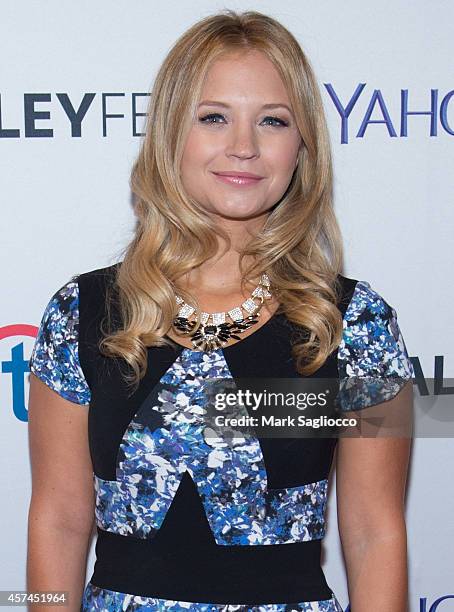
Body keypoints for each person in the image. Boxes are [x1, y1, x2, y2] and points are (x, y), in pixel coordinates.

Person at [27, 10, 414, 612]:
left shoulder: (356, 325)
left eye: (273, 121)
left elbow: (373, 535)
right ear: (170, 134)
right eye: (214, 118)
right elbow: (58, 520)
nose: (243, 147)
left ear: (302, 144)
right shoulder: (84, 314)